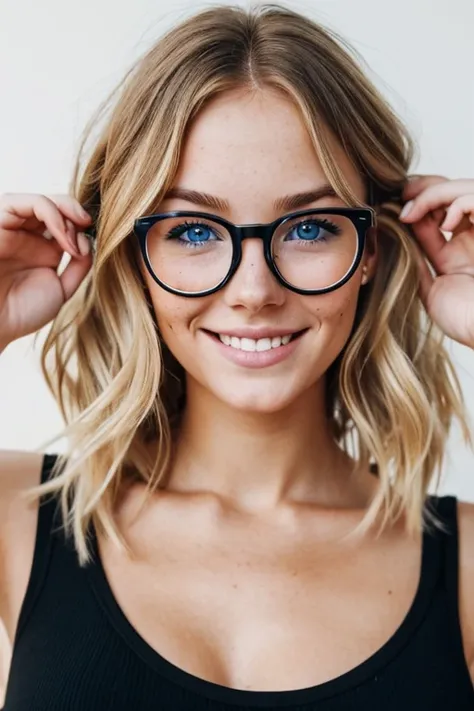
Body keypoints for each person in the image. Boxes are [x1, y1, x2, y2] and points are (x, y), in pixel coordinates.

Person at [0, 3, 473, 709]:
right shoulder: (18, 514)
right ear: (133, 253)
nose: (254, 290)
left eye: (310, 225)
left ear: (370, 249)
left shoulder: (464, 567)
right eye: (193, 231)